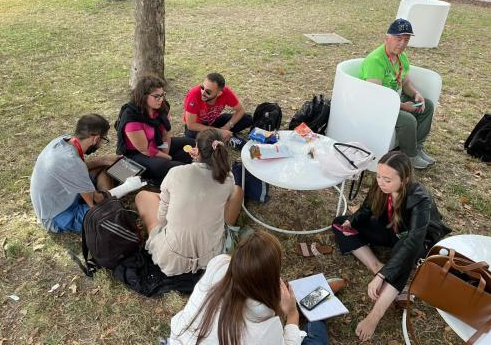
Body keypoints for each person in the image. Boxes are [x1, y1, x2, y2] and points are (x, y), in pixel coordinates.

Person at [332, 151, 451, 342]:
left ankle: (375, 315)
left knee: (405, 253)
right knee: (340, 223)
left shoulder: (420, 198)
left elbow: (414, 240)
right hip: (391, 229)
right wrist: (352, 222)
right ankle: (377, 266)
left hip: (418, 239)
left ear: (404, 180)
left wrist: (382, 277)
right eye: (378, 176)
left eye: (387, 179)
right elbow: (365, 210)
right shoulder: (381, 186)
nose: (380, 182)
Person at [170, 230, 337, 345]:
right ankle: (316, 313)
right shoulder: (265, 326)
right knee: (316, 334)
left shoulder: (218, 264)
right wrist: (292, 314)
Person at [135, 129, 244, 277]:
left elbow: (162, 219)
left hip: (172, 256)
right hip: (211, 255)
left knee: (143, 196)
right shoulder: (228, 178)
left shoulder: (176, 172)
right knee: (237, 191)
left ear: (197, 150)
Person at [30, 114, 145, 233]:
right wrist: (128, 186)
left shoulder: (63, 141)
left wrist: (103, 160)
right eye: (104, 139)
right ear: (96, 139)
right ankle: (110, 202)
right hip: (56, 217)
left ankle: (110, 200)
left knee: (102, 168)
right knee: (112, 217)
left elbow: (77, 170)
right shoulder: (71, 162)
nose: (102, 144)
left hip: (59, 199)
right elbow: (95, 201)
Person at [360, 18, 435, 169]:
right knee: (408, 120)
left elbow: (406, 83)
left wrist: (416, 94)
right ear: (387, 38)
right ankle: (409, 156)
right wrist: (402, 106)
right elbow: (375, 97)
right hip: (377, 105)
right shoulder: (376, 60)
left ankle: (417, 147)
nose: (402, 43)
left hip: (394, 98)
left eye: (406, 40)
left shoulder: (402, 57)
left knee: (427, 106)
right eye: (398, 38)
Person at [116, 75, 195, 186]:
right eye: (156, 96)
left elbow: (166, 133)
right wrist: (168, 158)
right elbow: (145, 150)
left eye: (162, 95)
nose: (161, 99)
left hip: (157, 144)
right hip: (137, 154)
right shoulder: (132, 118)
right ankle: (156, 176)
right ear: (144, 96)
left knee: (191, 143)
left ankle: (171, 168)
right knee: (165, 166)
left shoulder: (162, 107)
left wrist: (165, 153)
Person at [183, 72, 253, 149]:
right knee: (195, 143)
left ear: (219, 93)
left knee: (247, 118)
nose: (203, 92)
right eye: (202, 87)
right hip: (197, 128)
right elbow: (191, 125)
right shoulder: (194, 94)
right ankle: (227, 138)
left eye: (208, 92)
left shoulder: (226, 92)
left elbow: (240, 110)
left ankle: (221, 136)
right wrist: (219, 131)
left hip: (213, 122)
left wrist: (227, 127)